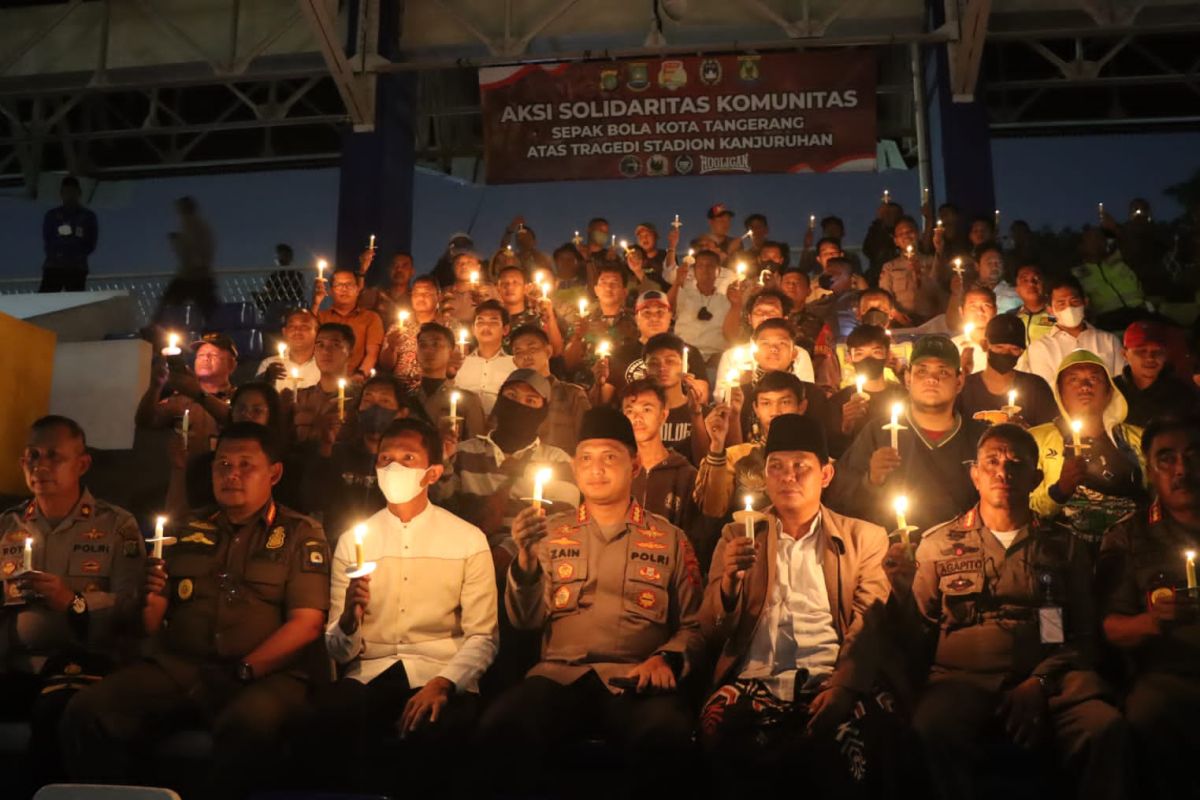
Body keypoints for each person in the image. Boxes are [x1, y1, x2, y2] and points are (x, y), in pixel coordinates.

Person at [62, 423, 331, 798]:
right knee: (88, 711)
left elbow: (307, 624)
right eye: (222, 464)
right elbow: (153, 621)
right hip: (181, 666)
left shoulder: (301, 533)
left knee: (248, 725)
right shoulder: (188, 529)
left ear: (274, 473)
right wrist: (149, 597)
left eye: (244, 465)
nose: (231, 474)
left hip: (262, 673)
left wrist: (246, 669)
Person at [891, 423, 1131, 800]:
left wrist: (1038, 683)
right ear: (974, 474)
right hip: (962, 679)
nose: (1003, 472)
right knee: (931, 728)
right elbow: (917, 630)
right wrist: (899, 589)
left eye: (1016, 463)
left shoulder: (1062, 546)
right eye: (992, 462)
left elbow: (1081, 634)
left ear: (1036, 477)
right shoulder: (937, 544)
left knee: (1103, 728)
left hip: (1051, 679)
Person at [476, 407, 704, 790]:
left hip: (634, 680)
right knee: (501, 728)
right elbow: (525, 621)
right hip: (557, 677)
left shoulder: (670, 538)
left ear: (633, 465)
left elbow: (697, 624)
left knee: (665, 739)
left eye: (609, 458)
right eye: (585, 458)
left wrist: (667, 657)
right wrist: (527, 560)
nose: (595, 469)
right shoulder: (548, 533)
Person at [699, 414, 904, 796]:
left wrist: (844, 687)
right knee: (718, 731)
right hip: (754, 680)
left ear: (826, 474)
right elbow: (711, 630)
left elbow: (867, 623)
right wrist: (729, 582)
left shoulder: (864, 538)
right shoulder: (737, 535)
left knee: (864, 740)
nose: (787, 476)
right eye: (775, 467)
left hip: (834, 675)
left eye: (801, 467)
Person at [302, 417, 498, 794]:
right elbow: (338, 648)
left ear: (432, 473)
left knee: (433, 736)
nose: (394, 467)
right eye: (385, 459)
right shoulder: (354, 541)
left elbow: (483, 637)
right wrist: (347, 620)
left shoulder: (467, 540)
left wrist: (444, 682)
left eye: (408, 458)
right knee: (327, 722)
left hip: (441, 673)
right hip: (370, 673)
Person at [0, 417, 143, 791]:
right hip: (16, 663)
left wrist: (72, 601)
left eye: (53, 456)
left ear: (82, 464)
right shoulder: (7, 526)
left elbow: (131, 603)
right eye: (32, 456)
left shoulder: (116, 526)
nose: (40, 466)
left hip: (83, 659)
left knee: (58, 713)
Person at [1096, 415, 1200, 797]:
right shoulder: (1129, 536)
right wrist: (1153, 621)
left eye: (1192, 456)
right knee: (1148, 716)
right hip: (1168, 674)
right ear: (1150, 471)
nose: (1182, 470)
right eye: (1167, 459)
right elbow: (1109, 627)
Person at [827, 335, 986, 534]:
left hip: (965, 554)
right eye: (922, 371)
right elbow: (841, 499)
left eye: (943, 372)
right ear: (908, 379)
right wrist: (872, 480)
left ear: (960, 381)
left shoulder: (980, 438)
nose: (931, 379)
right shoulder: (878, 433)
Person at [438, 369, 577, 566]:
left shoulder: (557, 460)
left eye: (531, 401)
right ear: (499, 401)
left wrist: (509, 551)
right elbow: (443, 506)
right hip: (465, 559)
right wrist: (443, 463)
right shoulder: (463, 452)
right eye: (511, 396)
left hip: (527, 565)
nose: (519, 405)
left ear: (542, 411)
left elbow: (562, 521)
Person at [1029, 350, 1148, 550]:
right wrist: (1059, 491)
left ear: (1110, 391)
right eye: (1073, 380)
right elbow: (1023, 507)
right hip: (1059, 554)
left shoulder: (1140, 439)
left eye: (1094, 379)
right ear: (1060, 392)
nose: (1085, 386)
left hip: (1131, 551)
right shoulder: (1036, 440)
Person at [299, 375, 429, 547]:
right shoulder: (338, 453)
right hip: (339, 547)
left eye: (384, 401)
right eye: (368, 400)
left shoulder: (406, 464)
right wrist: (325, 450)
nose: (375, 407)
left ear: (401, 413)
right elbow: (312, 499)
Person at [695, 370, 809, 520]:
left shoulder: (816, 460)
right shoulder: (735, 456)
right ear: (756, 408)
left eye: (785, 402)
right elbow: (712, 510)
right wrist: (717, 445)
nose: (775, 411)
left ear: (801, 407)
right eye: (766, 403)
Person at [135, 332, 236, 457]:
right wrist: (155, 386)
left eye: (213, 355)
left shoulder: (240, 398)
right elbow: (146, 421)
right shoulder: (182, 399)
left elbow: (236, 420)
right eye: (201, 355)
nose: (205, 358)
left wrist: (198, 393)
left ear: (231, 364)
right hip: (187, 473)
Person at [620, 379, 699, 538]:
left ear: (663, 415)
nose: (637, 418)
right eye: (630, 411)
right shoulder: (616, 471)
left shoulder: (686, 475)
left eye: (646, 409)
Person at [1018, 275, 1126, 388]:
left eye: (1074, 301)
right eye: (1061, 303)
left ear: (1085, 302)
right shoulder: (1040, 348)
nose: (1069, 308)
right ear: (1050, 310)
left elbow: (1121, 384)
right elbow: (1047, 392)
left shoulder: (1109, 341)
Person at [958, 313, 1058, 428]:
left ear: (1021, 351)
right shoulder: (964, 388)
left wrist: (1026, 431)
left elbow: (1049, 435)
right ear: (985, 345)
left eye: (1014, 349)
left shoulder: (1035, 387)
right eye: (999, 347)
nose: (1006, 354)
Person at [605, 289, 707, 400]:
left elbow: (702, 398)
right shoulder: (620, 354)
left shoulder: (688, 353)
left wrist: (690, 386)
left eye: (660, 312)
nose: (654, 318)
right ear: (636, 319)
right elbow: (602, 399)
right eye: (647, 313)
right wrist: (598, 383)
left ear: (670, 317)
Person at [829, 324, 909, 458]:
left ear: (888, 355)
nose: (868, 359)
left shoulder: (904, 397)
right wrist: (846, 426)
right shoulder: (838, 402)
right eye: (860, 353)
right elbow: (833, 452)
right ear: (849, 358)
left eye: (876, 352)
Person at [510, 324, 590, 454]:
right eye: (519, 352)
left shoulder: (572, 394)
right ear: (514, 361)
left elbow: (588, 439)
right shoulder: (510, 400)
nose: (526, 356)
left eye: (532, 349)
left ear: (548, 351)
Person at [717, 287, 815, 383]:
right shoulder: (731, 357)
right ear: (749, 318)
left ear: (784, 318)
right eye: (759, 311)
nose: (765, 316)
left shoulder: (799, 355)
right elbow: (722, 395)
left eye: (772, 312)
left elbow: (807, 392)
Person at [641, 333, 710, 465]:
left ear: (685, 367)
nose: (662, 368)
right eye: (654, 363)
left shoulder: (704, 414)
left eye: (670, 361)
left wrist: (696, 415)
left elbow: (705, 463)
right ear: (645, 372)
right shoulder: (638, 415)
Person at [1114, 320, 1198, 427]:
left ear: (1166, 354)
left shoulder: (1181, 395)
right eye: (1141, 351)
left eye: (1157, 352)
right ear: (1124, 354)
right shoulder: (1112, 391)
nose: (1150, 358)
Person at [413, 322, 485, 443]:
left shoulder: (468, 401)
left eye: (436, 344)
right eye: (422, 345)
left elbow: (476, 449)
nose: (428, 350)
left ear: (451, 352)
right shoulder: (404, 396)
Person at [290, 323, 360, 444]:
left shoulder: (359, 399)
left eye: (336, 345)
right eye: (320, 345)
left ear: (350, 355)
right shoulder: (300, 397)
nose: (326, 351)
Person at [314, 267, 385, 378]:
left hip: (356, 378)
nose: (344, 289)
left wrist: (360, 374)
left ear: (357, 289)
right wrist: (316, 303)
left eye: (349, 284)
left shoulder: (371, 318)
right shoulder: (321, 317)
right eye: (339, 285)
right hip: (323, 377)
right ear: (331, 291)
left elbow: (372, 353)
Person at [1072, 227, 1146, 331]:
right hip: (1110, 323)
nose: (1099, 242)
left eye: (1101, 238)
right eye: (1092, 239)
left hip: (1142, 313)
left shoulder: (1121, 260)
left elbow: (1137, 245)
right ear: (1081, 247)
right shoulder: (1076, 275)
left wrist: (1117, 229)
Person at [878, 216, 947, 326]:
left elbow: (939, 283)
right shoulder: (889, 267)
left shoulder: (932, 261)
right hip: (900, 321)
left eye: (910, 232)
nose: (906, 235)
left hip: (930, 319)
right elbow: (884, 295)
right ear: (896, 241)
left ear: (918, 235)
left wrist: (939, 250)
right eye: (901, 234)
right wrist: (896, 314)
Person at [158, 196, 218, 322]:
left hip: (193, 275)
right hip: (198, 275)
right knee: (210, 312)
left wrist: (178, 241)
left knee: (166, 305)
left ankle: (154, 332)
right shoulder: (196, 224)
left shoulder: (192, 224)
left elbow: (191, 250)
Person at [378, 274, 441, 391]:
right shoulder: (398, 327)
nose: (421, 297)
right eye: (416, 293)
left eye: (426, 293)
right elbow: (386, 365)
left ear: (438, 296)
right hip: (400, 388)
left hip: (434, 388)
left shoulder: (448, 326)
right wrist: (391, 347)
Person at [455, 300, 517, 416]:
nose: (486, 326)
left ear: (505, 329)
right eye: (480, 321)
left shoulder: (514, 364)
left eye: (493, 322)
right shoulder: (460, 363)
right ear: (473, 329)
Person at [670, 249, 731, 363]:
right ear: (694, 271)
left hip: (716, 358)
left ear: (718, 271)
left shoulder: (727, 301)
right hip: (685, 357)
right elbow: (667, 309)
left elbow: (732, 335)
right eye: (700, 266)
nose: (705, 269)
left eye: (710, 266)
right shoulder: (683, 294)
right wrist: (677, 282)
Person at [40, 176, 98, 292]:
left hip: (76, 268)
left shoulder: (87, 217)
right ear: (61, 194)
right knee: (44, 301)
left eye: (72, 192)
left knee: (75, 304)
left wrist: (75, 250)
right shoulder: (52, 215)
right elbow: (48, 239)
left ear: (79, 193)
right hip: (54, 267)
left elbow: (90, 243)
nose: (69, 195)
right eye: (66, 192)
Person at [256, 308, 321, 394]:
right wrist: (266, 379)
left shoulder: (324, 364)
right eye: (292, 327)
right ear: (284, 332)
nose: (297, 331)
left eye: (304, 327)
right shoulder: (269, 364)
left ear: (317, 332)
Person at [950, 284, 999, 375]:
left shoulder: (1007, 347)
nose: (980, 311)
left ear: (995, 310)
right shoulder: (952, 347)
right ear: (961, 312)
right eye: (973, 307)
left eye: (986, 305)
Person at [356, 250, 413, 326]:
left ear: (412, 271)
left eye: (404, 266)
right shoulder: (377, 295)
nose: (399, 270)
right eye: (394, 266)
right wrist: (362, 270)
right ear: (388, 270)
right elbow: (358, 300)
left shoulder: (415, 298)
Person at [1008, 263, 1055, 345]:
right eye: (1025, 280)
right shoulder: (1011, 318)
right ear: (1017, 289)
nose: (1031, 283)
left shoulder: (1056, 314)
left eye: (1037, 278)